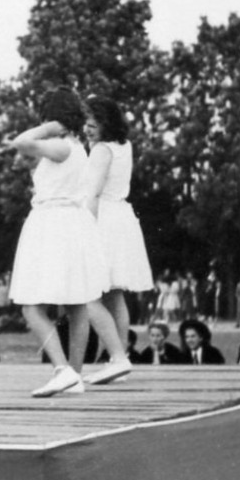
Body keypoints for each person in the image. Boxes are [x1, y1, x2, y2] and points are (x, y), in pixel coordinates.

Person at [5, 88, 133, 397]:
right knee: (76, 304)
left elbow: (20, 142)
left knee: (31, 307)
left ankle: (62, 369)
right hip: (69, 224)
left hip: (53, 224)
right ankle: (75, 374)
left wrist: (51, 125)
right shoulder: (77, 148)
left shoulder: (62, 146)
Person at [74, 96, 154, 367]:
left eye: (93, 123)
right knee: (114, 294)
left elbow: (93, 194)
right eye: (85, 122)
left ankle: (116, 356)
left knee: (87, 295)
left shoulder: (100, 151)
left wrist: (87, 231)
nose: (87, 128)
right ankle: (119, 357)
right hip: (121, 218)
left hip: (103, 219)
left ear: (106, 122)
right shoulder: (124, 145)